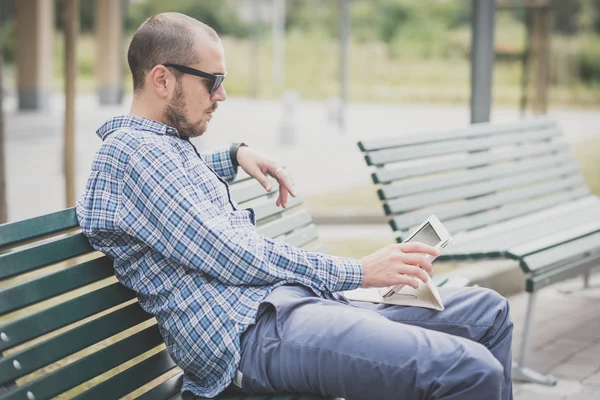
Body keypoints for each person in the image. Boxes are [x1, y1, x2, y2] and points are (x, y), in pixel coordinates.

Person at [76, 12, 513, 400]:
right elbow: (234, 255)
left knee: (490, 312)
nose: (221, 96)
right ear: (162, 80)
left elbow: (174, 198)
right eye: (213, 81)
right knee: (469, 370)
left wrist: (232, 155)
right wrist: (360, 271)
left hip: (289, 308)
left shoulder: (160, 149)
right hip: (249, 333)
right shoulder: (129, 154)